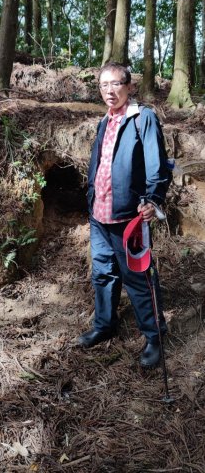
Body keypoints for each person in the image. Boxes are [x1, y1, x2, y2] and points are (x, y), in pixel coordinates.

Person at [78, 62, 169, 367]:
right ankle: (105, 325)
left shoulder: (142, 118)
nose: (109, 90)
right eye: (103, 85)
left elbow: (157, 165)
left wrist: (153, 199)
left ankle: (155, 335)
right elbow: (101, 163)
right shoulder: (105, 121)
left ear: (129, 86)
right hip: (99, 214)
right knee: (103, 273)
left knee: (139, 277)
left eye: (116, 84)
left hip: (128, 217)